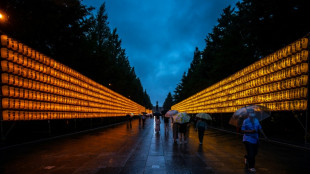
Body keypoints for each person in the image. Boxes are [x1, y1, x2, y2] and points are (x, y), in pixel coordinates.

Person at [241, 109, 267, 173]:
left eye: (252, 112)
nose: (251, 113)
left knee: (254, 153)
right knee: (251, 153)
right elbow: (242, 130)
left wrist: (265, 136)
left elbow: (260, 128)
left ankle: (246, 157)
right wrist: (250, 131)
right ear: (248, 114)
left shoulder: (256, 120)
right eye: (250, 112)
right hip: (247, 139)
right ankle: (251, 167)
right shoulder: (245, 121)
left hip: (255, 139)